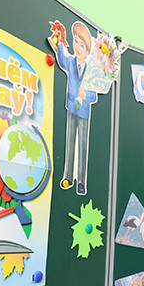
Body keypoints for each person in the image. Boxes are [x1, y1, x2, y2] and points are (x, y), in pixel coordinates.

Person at [49, 21, 97, 196]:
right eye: (76, 41)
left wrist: (86, 94)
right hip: (71, 107)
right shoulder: (71, 62)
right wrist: (60, 44)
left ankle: (81, 181)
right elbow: (61, 60)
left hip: (83, 112)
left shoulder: (91, 72)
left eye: (82, 45)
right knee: (70, 142)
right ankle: (68, 176)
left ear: (88, 51)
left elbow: (94, 95)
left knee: (83, 146)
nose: (77, 47)